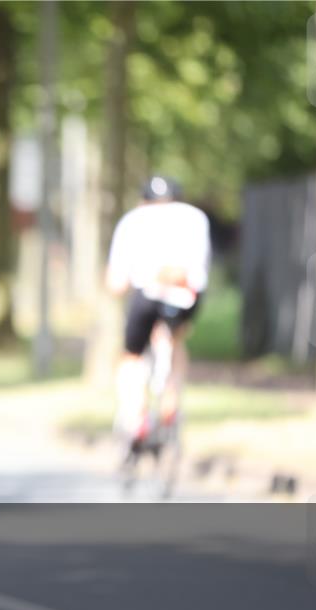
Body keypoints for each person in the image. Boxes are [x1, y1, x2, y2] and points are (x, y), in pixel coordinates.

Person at [106, 176, 211, 446]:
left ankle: (139, 412)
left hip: (148, 294)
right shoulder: (195, 217)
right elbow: (201, 269)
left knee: (132, 356)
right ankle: (171, 401)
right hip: (187, 296)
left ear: (144, 200)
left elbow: (116, 282)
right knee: (175, 342)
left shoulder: (132, 221)